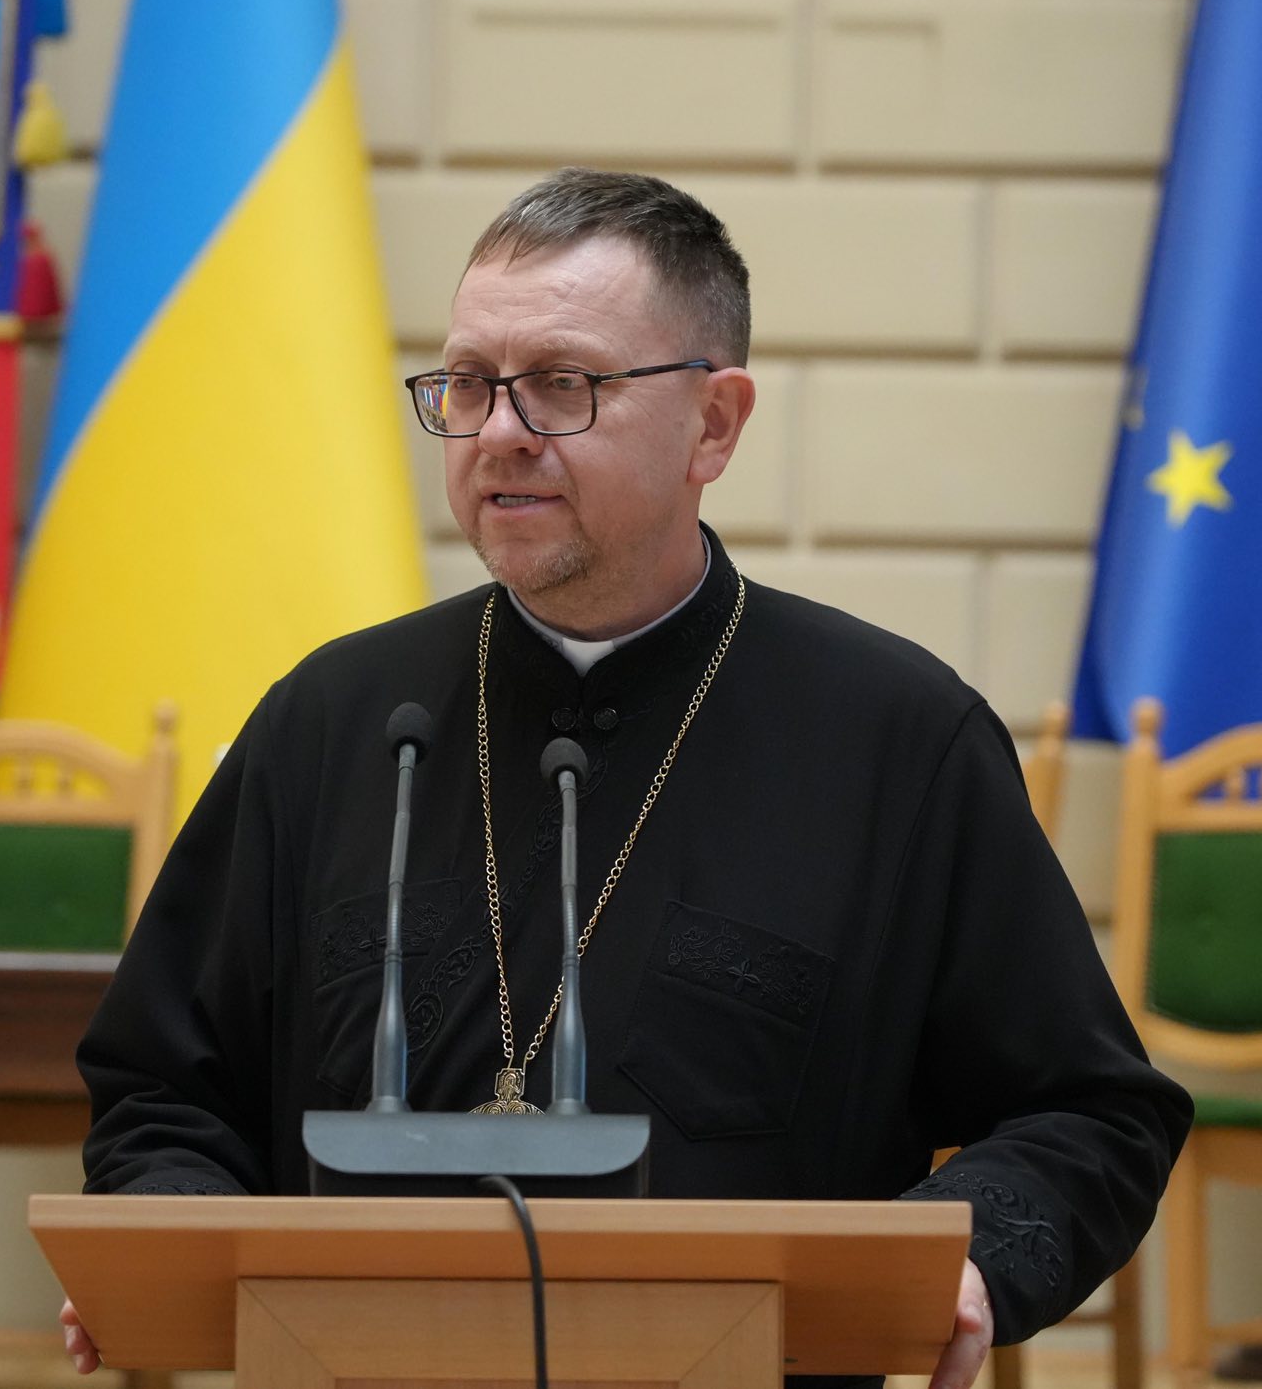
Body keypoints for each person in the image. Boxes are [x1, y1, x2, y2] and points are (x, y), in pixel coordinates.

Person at [61, 168, 1191, 1388]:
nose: (497, 431)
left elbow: (1087, 1111)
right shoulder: (328, 721)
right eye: (468, 383)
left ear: (713, 423)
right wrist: (167, 1235)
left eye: (561, 384)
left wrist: (961, 1259)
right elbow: (163, 1088)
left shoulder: (896, 740)